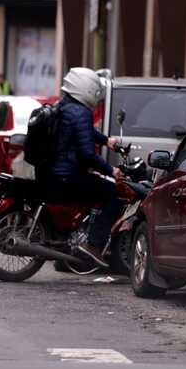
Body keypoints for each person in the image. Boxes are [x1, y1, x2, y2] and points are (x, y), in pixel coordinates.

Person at [36, 67, 123, 267]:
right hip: (66, 176)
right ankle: (93, 245)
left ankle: (70, 234)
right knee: (112, 195)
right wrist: (112, 171)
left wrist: (106, 141)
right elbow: (87, 154)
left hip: (50, 172)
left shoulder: (63, 106)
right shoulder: (81, 112)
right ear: (86, 88)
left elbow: (84, 132)